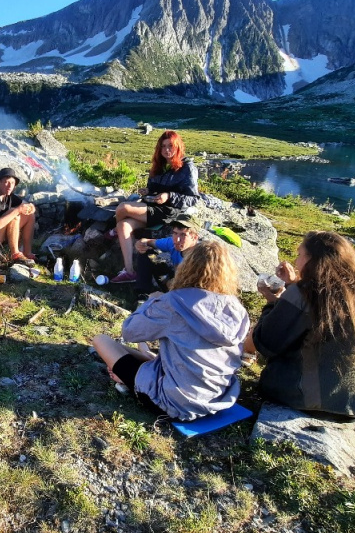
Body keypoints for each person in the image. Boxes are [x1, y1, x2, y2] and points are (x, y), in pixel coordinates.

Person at [92, 240, 248, 420]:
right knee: (140, 353)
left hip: (174, 402)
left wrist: (151, 301)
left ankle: (129, 379)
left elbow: (129, 331)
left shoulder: (174, 303)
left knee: (101, 340)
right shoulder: (236, 308)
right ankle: (144, 367)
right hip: (217, 398)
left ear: (186, 267)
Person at [251, 231, 355, 419]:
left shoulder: (305, 292)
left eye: (300, 255)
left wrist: (273, 304)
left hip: (308, 400)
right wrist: (292, 285)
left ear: (312, 259)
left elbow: (266, 342)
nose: (296, 262)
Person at [111, 130, 199, 283]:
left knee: (122, 208)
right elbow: (153, 189)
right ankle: (130, 272)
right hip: (152, 207)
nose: (166, 150)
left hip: (169, 212)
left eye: (170, 146)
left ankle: (111, 232)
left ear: (178, 146)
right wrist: (148, 191)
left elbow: (192, 199)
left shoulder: (187, 168)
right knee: (123, 225)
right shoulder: (159, 165)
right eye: (163, 146)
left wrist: (169, 196)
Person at [133, 212, 201, 292]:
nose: (177, 239)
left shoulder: (200, 256)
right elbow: (148, 241)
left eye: (183, 235)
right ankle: (142, 294)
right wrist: (141, 243)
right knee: (148, 253)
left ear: (195, 237)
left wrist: (175, 284)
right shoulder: (172, 242)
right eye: (175, 233)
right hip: (173, 281)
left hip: (188, 292)